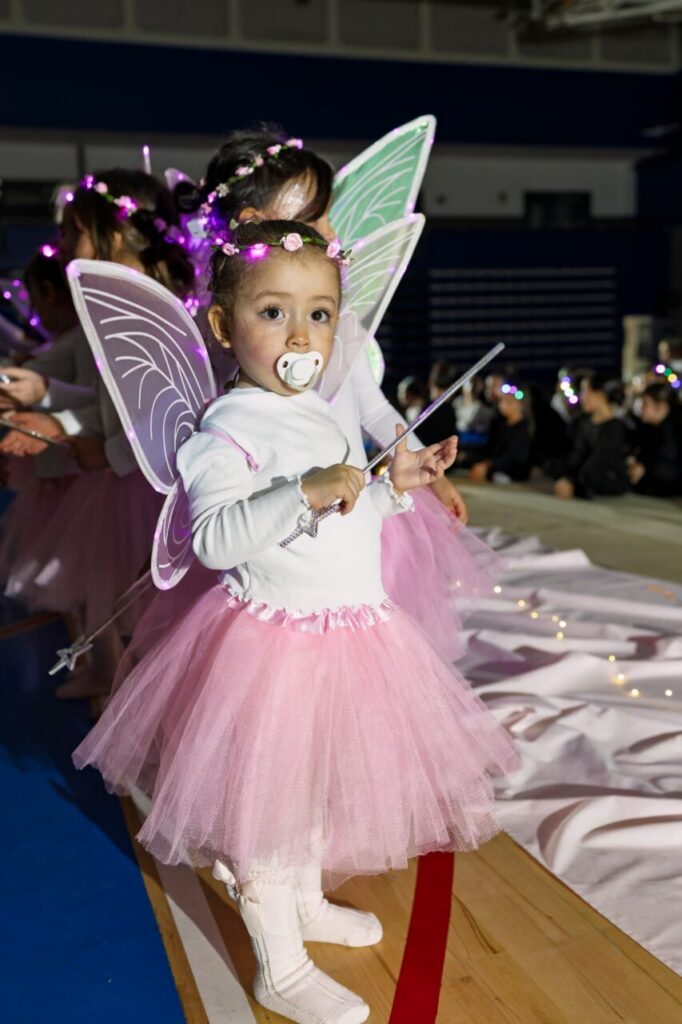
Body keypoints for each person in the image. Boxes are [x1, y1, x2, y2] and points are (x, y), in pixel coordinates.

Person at [74, 220, 519, 1024]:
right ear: (221, 325)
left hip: (353, 630)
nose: (299, 333)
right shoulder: (227, 429)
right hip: (275, 645)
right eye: (272, 311)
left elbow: (347, 517)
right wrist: (302, 491)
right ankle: (278, 963)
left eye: (318, 313)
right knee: (268, 809)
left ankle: (305, 904)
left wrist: (393, 486)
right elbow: (215, 538)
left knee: (313, 788)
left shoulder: (317, 411)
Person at [0, 170, 194, 697]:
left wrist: (67, 429)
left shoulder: (146, 304)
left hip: (146, 483)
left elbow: (162, 414)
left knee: (155, 614)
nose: (63, 246)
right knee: (121, 603)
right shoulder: (107, 300)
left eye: (74, 232)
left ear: (112, 232)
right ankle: (120, 687)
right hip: (115, 466)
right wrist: (46, 400)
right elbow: (107, 404)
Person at [552, 372, 629, 500]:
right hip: (583, 472)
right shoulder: (582, 421)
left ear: (599, 395)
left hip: (604, 476)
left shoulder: (615, 427)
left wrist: (572, 484)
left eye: (585, 391)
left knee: (592, 475)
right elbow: (576, 454)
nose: (582, 396)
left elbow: (598, 460)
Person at [469, 383, 533, 484]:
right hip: (494, 465)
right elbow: (490, 447)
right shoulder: (499, 423)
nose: (502, 404)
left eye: (509, 401)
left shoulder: (524, 428)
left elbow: (511, 455)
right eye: (502, 400)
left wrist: (487, 465)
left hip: (512, 471)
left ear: (520, 405)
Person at [628, 382, 682, 496]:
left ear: (661, 407)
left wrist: (645, 467)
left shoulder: (673, 431)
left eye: (646, 404)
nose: (641, 408)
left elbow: (672, 469)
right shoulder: (649, 428)